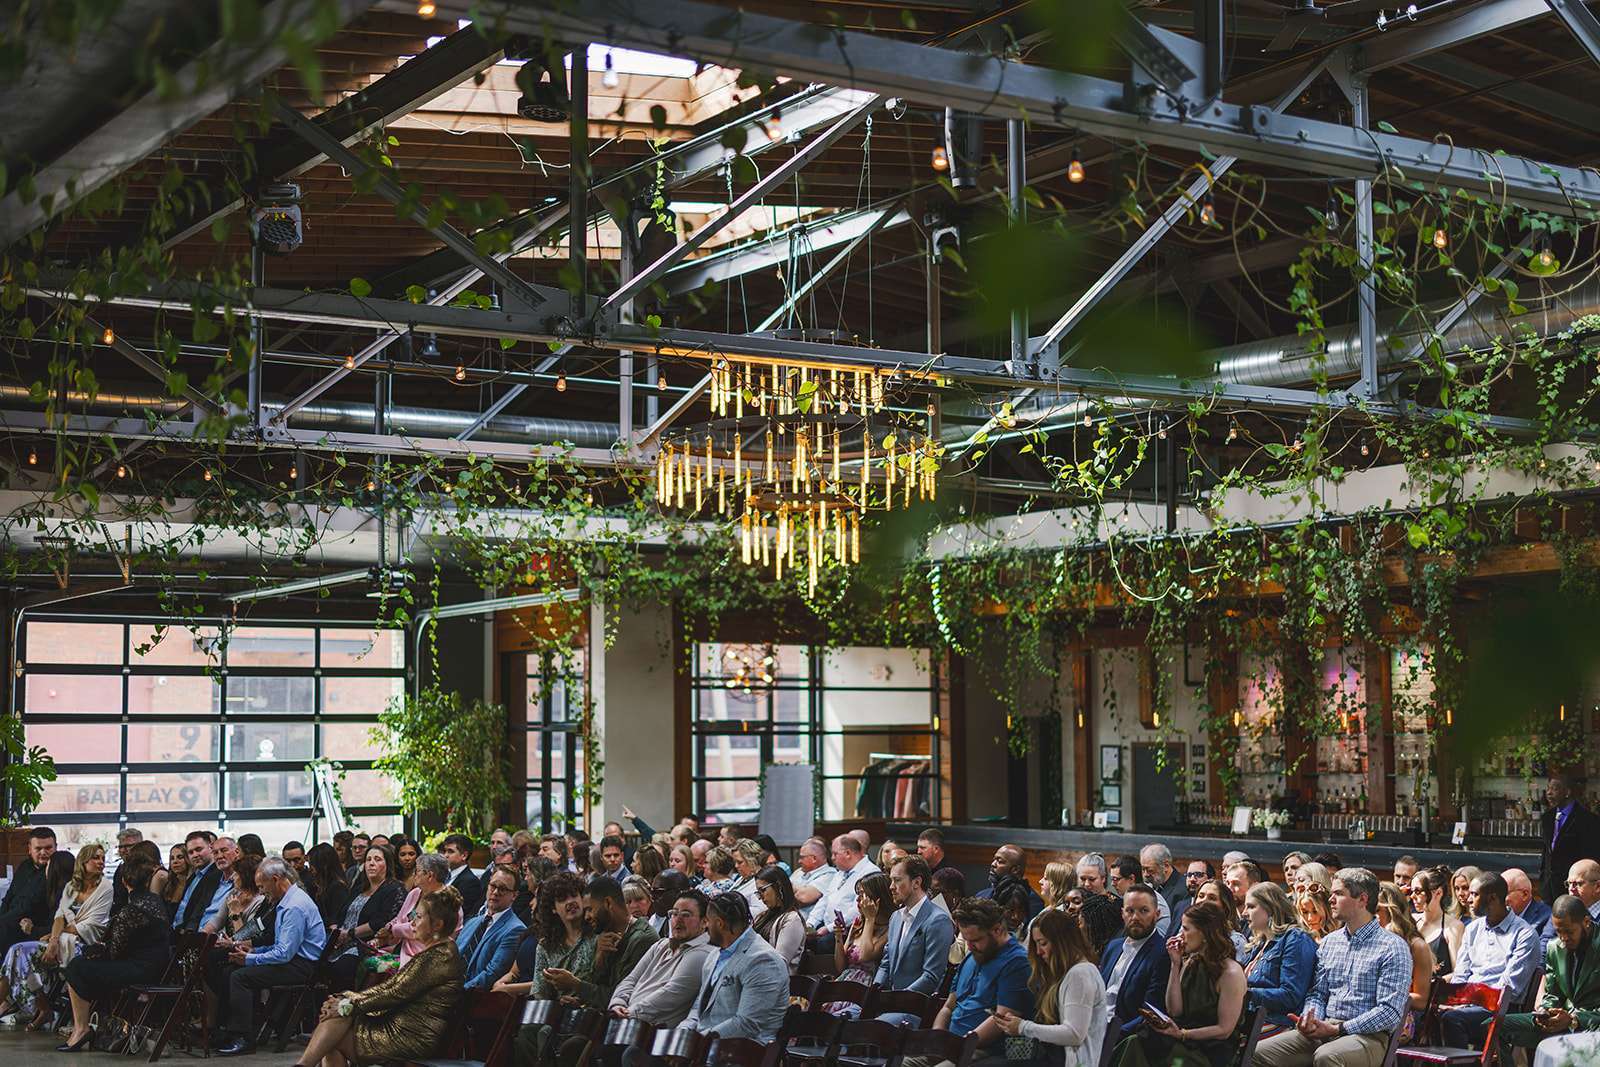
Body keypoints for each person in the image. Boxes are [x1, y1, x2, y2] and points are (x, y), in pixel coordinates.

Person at [1252, 868, 1413, 1067]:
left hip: (1369, 1037)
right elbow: (1317, 994)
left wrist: (1340, 1029)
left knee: (1327, 1056)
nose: (1330, 899)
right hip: (1325, 1027)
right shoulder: (1330, 942)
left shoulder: (1393, 947)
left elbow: (1389, 1013)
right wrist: (1312, 1019)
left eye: (1338, 893)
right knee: (1256, 1053)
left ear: (1362, 899)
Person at [296, 886, 465, 1067]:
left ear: (437, 925)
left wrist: (348, 1001)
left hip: (411, 1035)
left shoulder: (440, 956)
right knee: (333, 1027)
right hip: (397, 1024)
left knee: (332, 1034)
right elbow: (391, 988)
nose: (412, 922)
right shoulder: (436, 951)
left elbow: (394, 992)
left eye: (418, 917)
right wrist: (345, 1000)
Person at [1109, 901, 1247, 1067]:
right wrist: (1175, 965)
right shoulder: (1192, 962)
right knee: (1134, 1042)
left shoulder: (1231, 973)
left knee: (1162, 1055)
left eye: (1186, 929)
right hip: (1181, 1038)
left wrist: (1183, 1034)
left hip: (1210, 1050)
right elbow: (1175, 1010)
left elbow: (1224, 1030)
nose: (1180, 934)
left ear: (1205, 933)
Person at [214, 857, 328, 1056]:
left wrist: (249, 959)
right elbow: (278, 945)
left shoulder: (294, 906)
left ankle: (244, 1037)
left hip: (302, 966)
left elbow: (284, 953)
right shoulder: (286, 901)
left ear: (275, 879)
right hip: (294, 960)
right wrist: (252, 953)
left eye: (262, 886)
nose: (262, 891)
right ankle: (231, 1029)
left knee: (240, 977)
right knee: (230, 970)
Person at [57, 857, 169, 1053]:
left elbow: (115, 952)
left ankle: (81, 1029)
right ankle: (87, 1026)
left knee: (76, 966)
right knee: (84, 965)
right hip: (157, 966)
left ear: (124, 882)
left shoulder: (132, 909)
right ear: (148, 880)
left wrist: (95, 951)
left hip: (142, 970)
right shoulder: (155, 901)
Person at [0, 842, 110, 1026]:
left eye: (102, 858)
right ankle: (43, 1008)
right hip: (60, 940)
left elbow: (84, 924)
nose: (100, 862)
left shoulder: (95, 889)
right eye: (95, 858)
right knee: (18, 952)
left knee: (19, 952)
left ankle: (39, 1008)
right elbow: (58, 919)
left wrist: (49, 936)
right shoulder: (67, 888)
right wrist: (51, 937)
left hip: (80, 944)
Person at [920, 897, 1031, 1067]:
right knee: (901, 1062)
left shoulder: (1017, 963)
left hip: (987, 1051)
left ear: (998, 930)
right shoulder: (972, 957)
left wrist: (959, 1045)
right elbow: (948, 1007)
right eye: (966, 940)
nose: (969, 947)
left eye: (975, 940)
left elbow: (1002, 1020)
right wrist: (938, 1039)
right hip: (951, 1045)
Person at [994, 908, 1106, 1067]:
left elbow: (1074, 1034)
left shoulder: (1080, 974)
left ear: (1062, 942)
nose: (1039, 952)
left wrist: (1023, 1027)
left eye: (1043, 943)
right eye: (1036, 944)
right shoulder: (1068, 973)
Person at [1495, 893, 1600, 1064]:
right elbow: (1553, 994)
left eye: (1569, 931)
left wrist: (1574, 1019)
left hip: (1593, 1025)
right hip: (1561, 1022)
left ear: (1586, 922)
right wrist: (1545, 1012)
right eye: (1559, 931)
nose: (1564, 938)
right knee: (1493, 1025)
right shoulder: (1554, 948)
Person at [1441, 869, 1539, 1048]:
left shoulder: (1524, 934)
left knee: (1452, 1019)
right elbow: (1461, 974)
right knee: (1430, 1014)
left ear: (1492, 898)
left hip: (1501, 1010)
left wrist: (1468, 1002)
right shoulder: (1473, 929)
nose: (1468, 899)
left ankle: (1467, 1061)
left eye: (1474, 894)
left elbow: (1509, 989)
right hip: (1468, 1005)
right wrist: (1456, 1001)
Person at [683, 890, 789, 1043]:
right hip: (708, 1043)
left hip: (745, 1048)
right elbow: (698, 1008)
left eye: (707, 921)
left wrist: (698, 1042)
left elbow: (747, 1024)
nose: (705, 926)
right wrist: (682, 1032)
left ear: (719, 924)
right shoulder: (713, 955)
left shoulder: (763, 960)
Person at [605, 888, 717, 1031]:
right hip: (627, 1021)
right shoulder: (661, 945)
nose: (678, 920)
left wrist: (627, 1014)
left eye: (686, 915)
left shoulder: (703, 953)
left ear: (705, 922)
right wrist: (617, 1003)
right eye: (674, 913)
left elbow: (670, 995)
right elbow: (631, 979)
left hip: (651, 1032)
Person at [1100, 884, 1172, 1059]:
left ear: (1157, 914)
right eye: (1130, 911)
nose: (1135, 917)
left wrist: (1110, 1036)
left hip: (1125, 1038)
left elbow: (1151, 1011)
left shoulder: (1162, 954)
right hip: (1096, 1026)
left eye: (1144, 911)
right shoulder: (1113, 947)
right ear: (1122, 913)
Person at [327, 842, 407, 992]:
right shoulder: (359, 888)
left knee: (341, 967)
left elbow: (380, 922)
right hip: (341, 942)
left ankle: (344, 1004)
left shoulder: (394, 889)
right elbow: (341, 913)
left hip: (366, 944)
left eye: (377, 859)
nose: (371, 863)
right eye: (368, 859)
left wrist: (349, 934)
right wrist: (336, 929)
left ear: (387, 864)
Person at [876, 855, 955, 999]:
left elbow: (931, 976)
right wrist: (874, 992)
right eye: (891, 880)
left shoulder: (938, 920)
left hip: (915, 1004)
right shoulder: (895, 917)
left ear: (916, 882)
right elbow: (885, 964)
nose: (891, 887)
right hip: (888, 999)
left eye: (897, 880)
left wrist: (896, 1000)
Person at [1241, 882, 1317, 1032]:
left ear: (1270, 908)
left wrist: (1246, 994)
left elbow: (1290, 996)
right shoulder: (1259, 943)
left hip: (1278, 1021)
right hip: (1251, 1018)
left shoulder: (1296, 938)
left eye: (1251, 906)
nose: (1244, 913)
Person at [368, 852, 454, 976]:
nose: (414, 874)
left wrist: (392, 930)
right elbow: (399, 918)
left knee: (372, 964)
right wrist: (384, 933)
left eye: (417, 871)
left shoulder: (445, 901)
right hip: (403, 949)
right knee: (368, 955)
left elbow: (417, 929)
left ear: (430, 875)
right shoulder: (416, 892)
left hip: (424, 958)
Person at [829, 870, 894, 1010]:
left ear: (878, 897)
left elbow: (865, 955)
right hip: (845, 981)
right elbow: (840, 966)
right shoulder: (858, 923)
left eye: (863, 894)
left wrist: (870, 919)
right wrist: (838, 937)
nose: (858, 900)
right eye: (858, 894)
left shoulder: (891, 927)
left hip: (866, 988)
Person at [1375, 882, 1433, 1024]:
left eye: (1377, 910)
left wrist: (1387, 996)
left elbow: (1421, 1000)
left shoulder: (1417, 946)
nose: (1372, 916)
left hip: (1403, 1016)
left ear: (1393, 912)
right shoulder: (1367, 939)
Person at [458, 866, 525, 989]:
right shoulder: (472, 922)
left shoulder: (515, 930)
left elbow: (492, 973)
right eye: (493, 886)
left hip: (472, 994)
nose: (495, 892)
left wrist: (458, 992)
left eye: (503, 889)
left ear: (514, 895)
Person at [1541, 773, 1600, 907]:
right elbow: (1547, 852)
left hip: (1573, 887)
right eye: (1548, 788)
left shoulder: (1587, 820)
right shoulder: (1547, 818)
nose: (1549, 793)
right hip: (1548, 888)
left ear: (1567, 792)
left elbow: (1591, 856)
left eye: (1554, 789)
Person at [810, 834, 881, 939]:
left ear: (848, 853)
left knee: (820, 943)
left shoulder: (870, 872)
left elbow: (857, 911)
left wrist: (828, 928)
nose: (832, 858)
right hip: (829, 926)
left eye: (835, 854)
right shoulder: (840, 872)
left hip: (851, 929)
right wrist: (811, 923)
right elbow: (825, 900)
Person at [0, 827, 57, 952]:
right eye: (38, 848)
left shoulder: (59, 873)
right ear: (29, 849)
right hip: (8, 922)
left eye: (48, 848)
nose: (43, 852)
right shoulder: (24, 866)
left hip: (31, 928)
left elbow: (29, 906)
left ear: (56, 848)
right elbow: (9, 896)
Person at [752, 865, 806, 973]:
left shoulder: (792, 919)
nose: (760, 897)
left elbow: (779, 963)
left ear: (779, 886)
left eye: (762, 890)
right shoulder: (761, 916)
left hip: (776, 978)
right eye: (758, 892)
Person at [1410, 867, 1463, 974]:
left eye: (1418, 891)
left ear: (1438, 893)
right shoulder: (1410, 920)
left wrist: (1438, 981)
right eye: (1411, 891)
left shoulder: (1453, 927)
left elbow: (1458, 973)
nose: (1412, 896)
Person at [977, 844, 1045, 922]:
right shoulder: (981, 896)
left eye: (999, 861)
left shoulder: (1032, 901)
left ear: (1015, 870)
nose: (993, 864)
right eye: (994, 859)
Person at [790, 838, 838, 924]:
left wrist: (788, 887)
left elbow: (803, 897)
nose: (799, 861)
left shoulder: (829, 874)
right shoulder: (799, 871)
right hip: (790, 919)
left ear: (814, 858)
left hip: (807, 924)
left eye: (802, 857)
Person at [439, 833, 485, 920]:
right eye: (445, 851)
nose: (446, 855)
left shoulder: (470, 882)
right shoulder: (443, 876)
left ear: (464, 856)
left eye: (450, 851)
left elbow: (461, 914)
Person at [307, 842, 349, 929]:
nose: (310, 869)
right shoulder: (319, 886)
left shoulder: (337, 887)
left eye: (312, 864)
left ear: (322, 865)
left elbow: (336, 919)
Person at [1142, 844, 1187, 912]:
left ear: (1166, 866)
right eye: (1143, 869)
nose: (1145, 874)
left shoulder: (1184, 889)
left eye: (1150, 870)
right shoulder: (1149, 886)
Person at [650, 871, 691, 936]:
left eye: (658, 892)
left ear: (679, 893)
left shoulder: (692, 923)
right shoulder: (655, 918)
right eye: (651, 892)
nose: (652, 897)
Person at [160, 843, 192, 923]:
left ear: (188, 859)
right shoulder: (168, 885)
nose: (175, 861)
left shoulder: (194, 884)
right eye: (172, 858)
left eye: (180, 857)